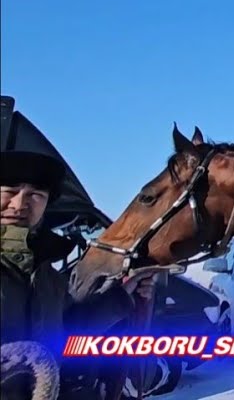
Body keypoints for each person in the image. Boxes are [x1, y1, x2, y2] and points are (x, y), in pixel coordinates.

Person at [1, 150, 155, 400]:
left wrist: (122, 295)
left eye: (35, 195)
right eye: (9, 191)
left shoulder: (47, 278)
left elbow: (72, 328)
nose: (19, 204)